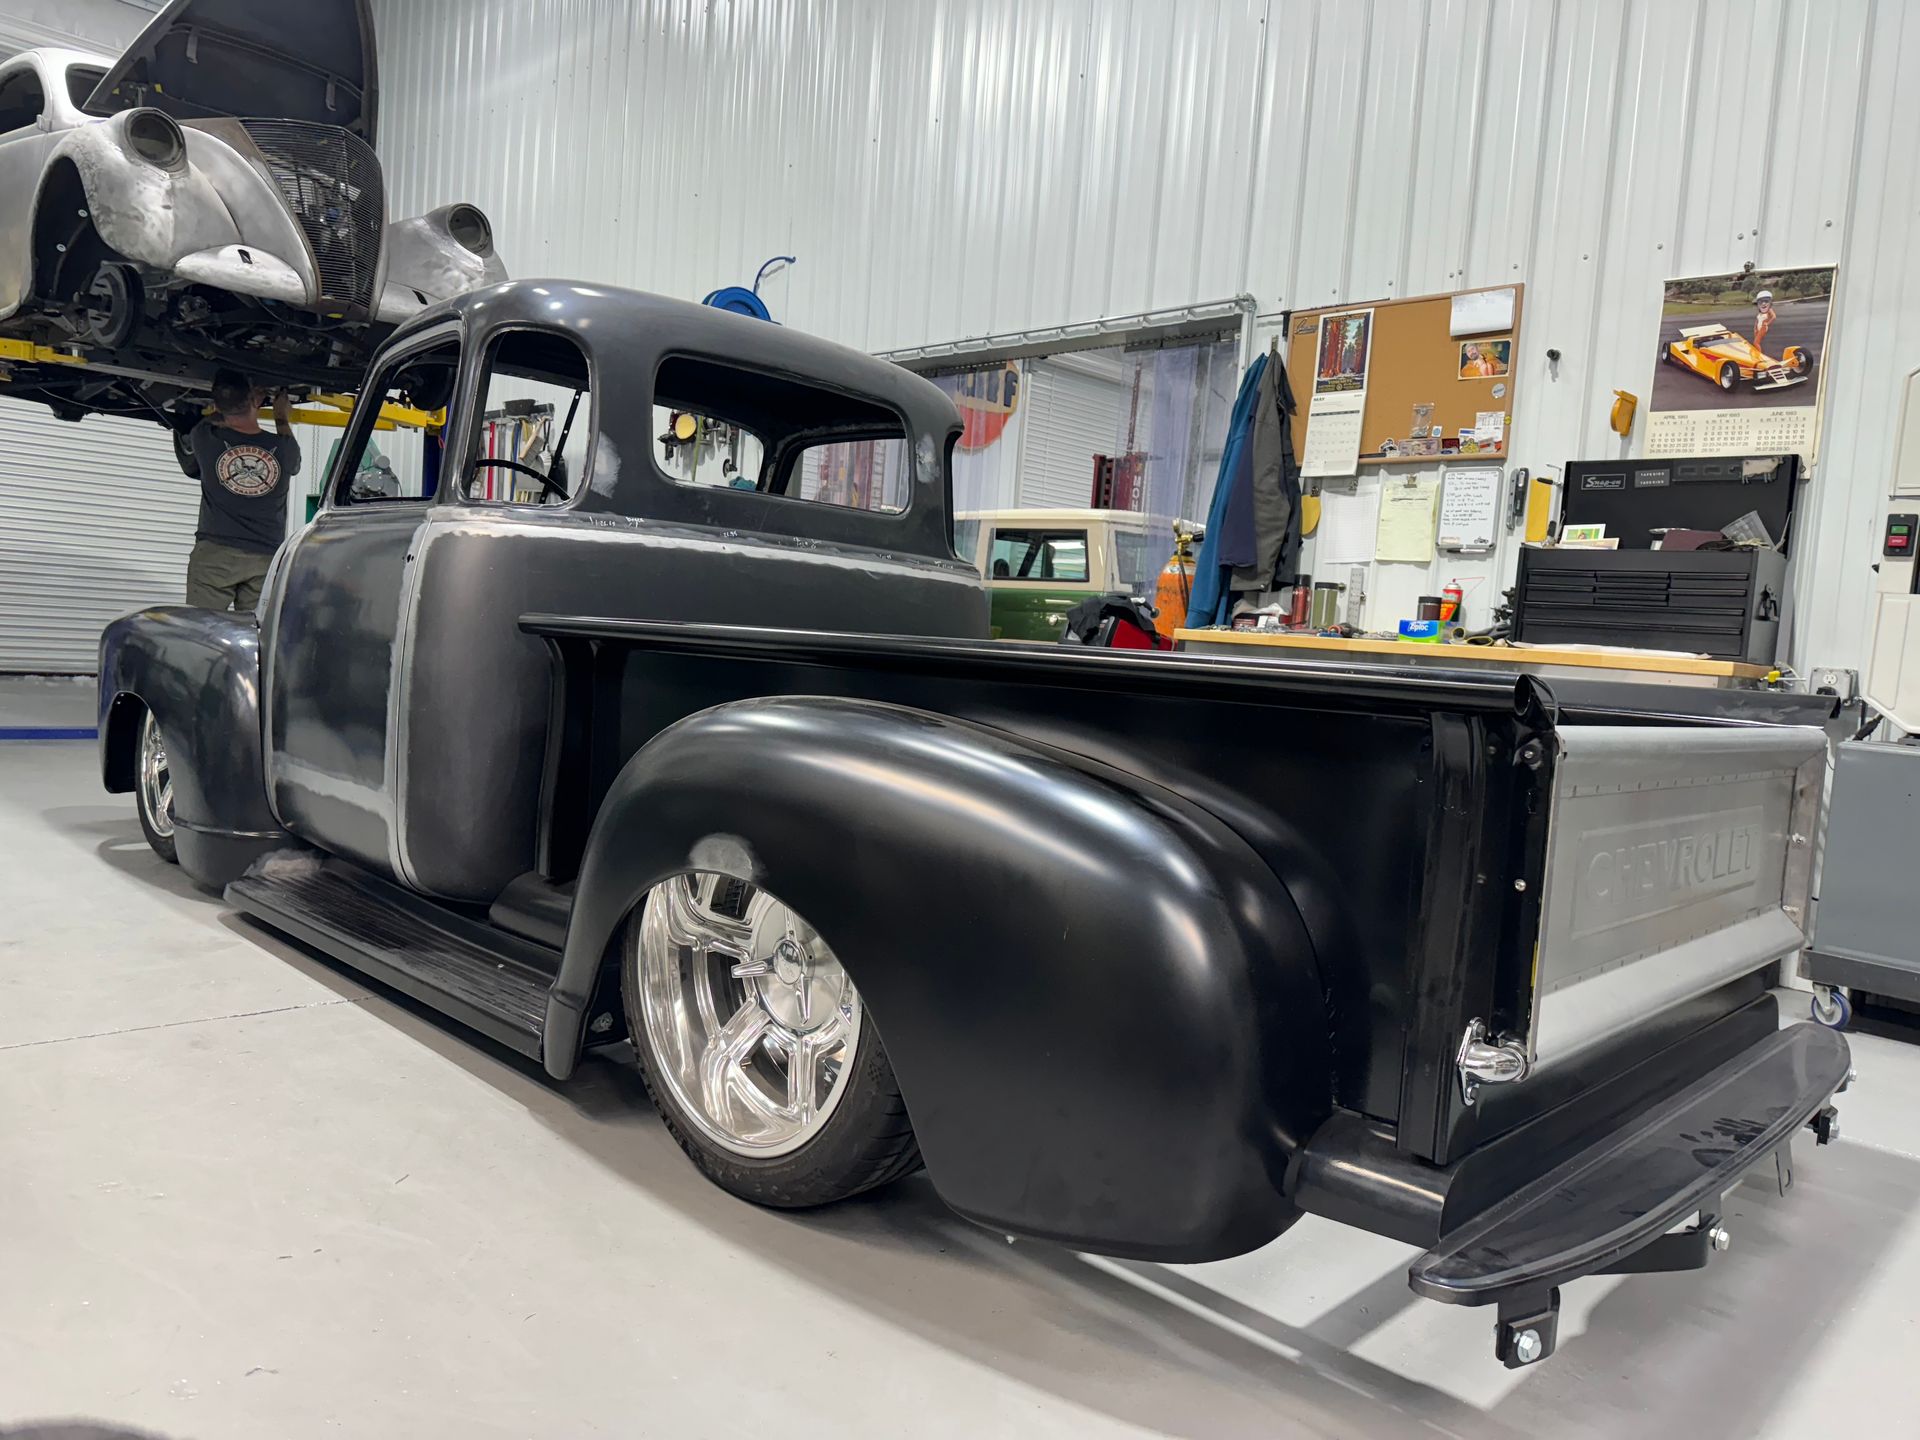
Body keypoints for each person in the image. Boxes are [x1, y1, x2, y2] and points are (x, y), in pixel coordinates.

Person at [184, 368, 300, 613]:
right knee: (253, 629)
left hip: (216, 556)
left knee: (202, 628)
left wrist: (233, 404)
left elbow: (212, 418)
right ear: (254, 400)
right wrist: (280, 415)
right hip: (264, 556)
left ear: (217, 405)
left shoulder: (204, 438)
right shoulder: (284, 449)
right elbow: (294, 458)